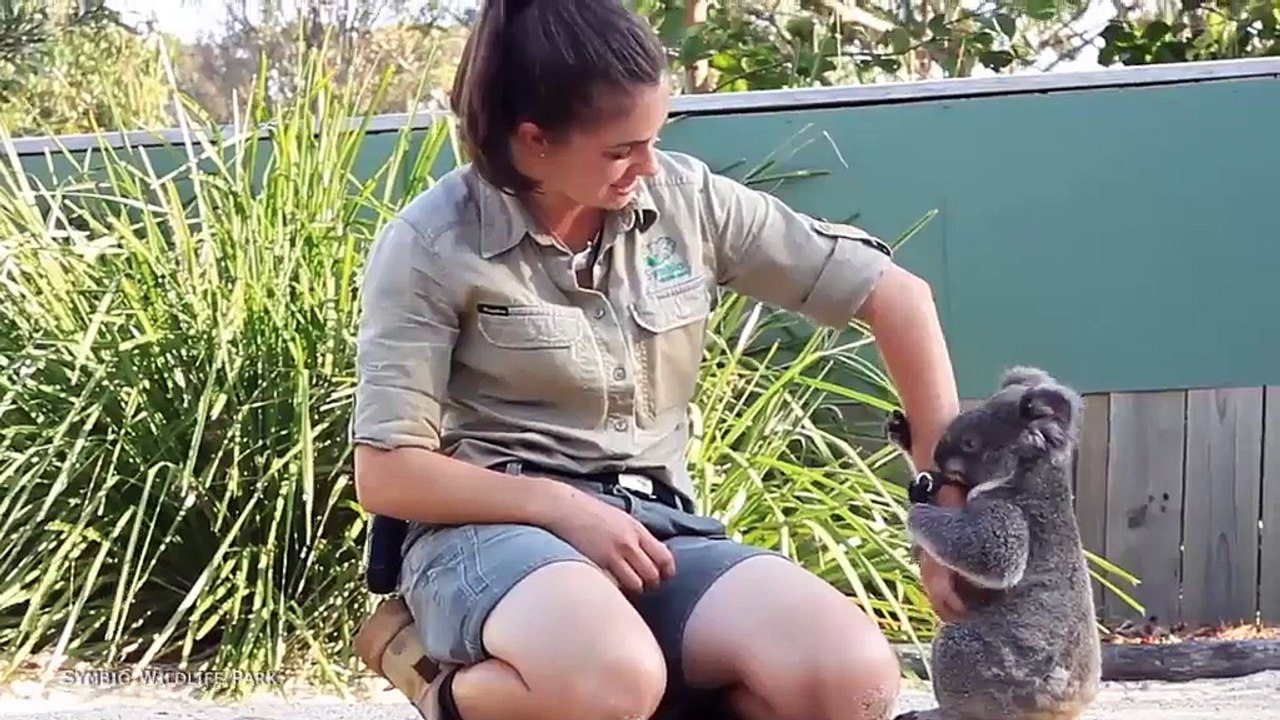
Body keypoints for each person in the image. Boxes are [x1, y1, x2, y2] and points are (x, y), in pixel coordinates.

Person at [349, 1, 965, 719]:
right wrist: (561, 507)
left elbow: (897, 299)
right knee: (606, 679)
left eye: (654, 138)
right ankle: (440, 683)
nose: (647, 166)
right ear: (534, 142)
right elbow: (387, 473)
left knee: (845, 679)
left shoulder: (684, 197)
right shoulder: (430, 245)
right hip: (486, 534)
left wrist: (944, 506)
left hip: (653, 525)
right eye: (620, 150)